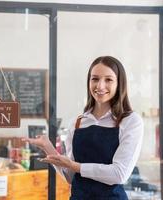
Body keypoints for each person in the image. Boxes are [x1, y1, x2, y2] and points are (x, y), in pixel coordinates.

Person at [23, 56, 144, 200]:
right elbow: (70, 176)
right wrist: (48, 147)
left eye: (108, 79)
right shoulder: (78, 123)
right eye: (95, 79)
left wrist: (77, 166)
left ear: (119, 84)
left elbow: (119, 174)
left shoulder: (130, 121)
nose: (100, 86)